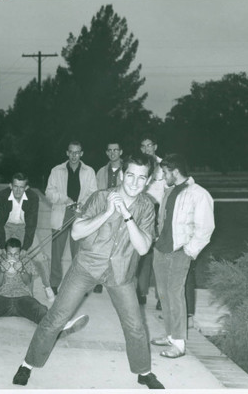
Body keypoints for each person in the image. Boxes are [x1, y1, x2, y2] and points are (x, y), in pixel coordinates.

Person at [12, 153, 164, 389]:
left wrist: (126, 214)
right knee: (56, 318)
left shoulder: (146, 207)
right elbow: (76, 232)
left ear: (148, 181)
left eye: (141, 178)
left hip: (120, 274)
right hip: (86, 267)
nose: (135, 183)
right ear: (122, 174)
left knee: (135, 326)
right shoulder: (101, 197)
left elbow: (143, 247)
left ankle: (143, 372)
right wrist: (107, 213)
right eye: (131, 175)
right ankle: (27, 364)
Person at [151, 153, 214, 359]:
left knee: (175, 296)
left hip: (179, 252)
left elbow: (205, 228)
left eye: (166, 172)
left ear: (175, 172)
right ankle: (170, 334)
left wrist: (189, 250)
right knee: (164, 295)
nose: (163, 176)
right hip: (161, 250)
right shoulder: (168, 190)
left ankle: (178, 344)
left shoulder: (198, 194)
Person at [0, 238, 88, 335]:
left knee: (39, 309)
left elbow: (28, 281)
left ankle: (60, 328)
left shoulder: (25, 262)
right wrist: (1, 270)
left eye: (16, 254)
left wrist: (22, 269)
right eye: (10, 254)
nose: (13, 257)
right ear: (5, 253)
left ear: (20, 253)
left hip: (23, 298)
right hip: (2, 297)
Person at [45, 141, 97, 295]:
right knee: (56, 253)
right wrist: (65, 199)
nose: (74, 155)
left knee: (79, 253)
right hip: (61, 212)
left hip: (80, 215)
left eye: (77, 152)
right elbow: (49, 192)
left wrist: (82, 205)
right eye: (71, 152)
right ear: (67, 153)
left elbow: (93, 193)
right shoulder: (56, 170)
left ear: (82, 154)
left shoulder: (89, 171)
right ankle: (54, 283)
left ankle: (79, 284)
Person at [0, 173, 55, 302]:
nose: (17, 190)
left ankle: (47, 286)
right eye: (15, 186)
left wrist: (26, 247)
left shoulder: (33, 198)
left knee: (39, 257)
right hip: (7, 226)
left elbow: (31, 224)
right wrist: (1, 246)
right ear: (10, 185)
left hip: (24, 227)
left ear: (26, 187)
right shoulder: (2, 195)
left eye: (21, 187)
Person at [137, 133, 165, 306]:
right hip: (143, 213)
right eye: (143, 146)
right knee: (143, 254)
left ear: (155, 146)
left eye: (149, 145)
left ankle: (161, 297)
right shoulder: (138, 165)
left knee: (161, 256)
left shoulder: (164, 165)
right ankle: (141, 292)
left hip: (161, 214)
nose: (147, 149)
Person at [93, 141, 123, 293]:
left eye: (115, 150)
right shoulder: (100, 172)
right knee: (102, 248)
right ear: (106, 153)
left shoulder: (128, 170)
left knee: (119, 249)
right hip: (105, 214)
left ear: (121, 152)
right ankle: (99, 280)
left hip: (121, 214)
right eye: (110, 150)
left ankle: (116, 281)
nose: (113, 153)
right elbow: (97, 194)